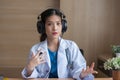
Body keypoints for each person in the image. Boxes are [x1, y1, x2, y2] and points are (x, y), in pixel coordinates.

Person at [21, 8, 98, 80]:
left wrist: (82, 74)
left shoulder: (71, 47)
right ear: (42, 27)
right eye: (49, 24)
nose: (55, 28)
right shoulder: (35, 49)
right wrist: (30, 68)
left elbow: (78, 70)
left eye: (58, 24)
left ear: (63, 26)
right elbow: (33, 76)